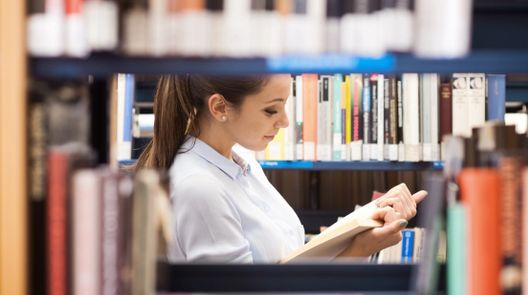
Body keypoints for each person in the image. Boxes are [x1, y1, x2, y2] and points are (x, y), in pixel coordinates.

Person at [135, 74, 428, 263]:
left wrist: (366, 219)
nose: (285, 121)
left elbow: (292, 261)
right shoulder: (199, 187)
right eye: (271, 110)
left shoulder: (244, 160)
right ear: (220, 108)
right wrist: (356, 251)